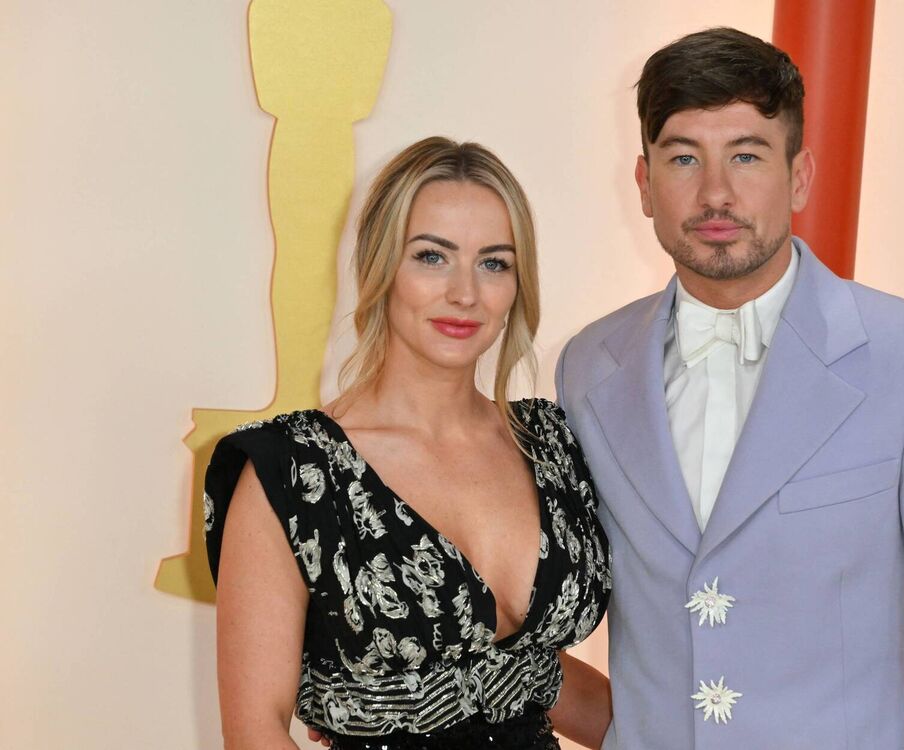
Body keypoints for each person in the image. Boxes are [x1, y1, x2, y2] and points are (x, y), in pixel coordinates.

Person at [554, 27, 904, 749]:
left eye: (746, 155)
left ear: (799, 176)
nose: (716, 192)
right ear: (644, 185)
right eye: (684, 158)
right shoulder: (587, 365)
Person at [204, 137, 612, 750]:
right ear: (380, 265)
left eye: (494, 263)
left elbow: (538, 678)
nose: (465, 293)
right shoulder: (292, 470)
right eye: (432, 256)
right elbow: (254, 732)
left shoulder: (552, 442)